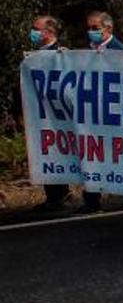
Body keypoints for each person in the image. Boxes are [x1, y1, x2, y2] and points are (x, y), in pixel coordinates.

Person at [29, 16, 81, 212]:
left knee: (59, 149)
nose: (33, 32)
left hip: (60, 113)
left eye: (36, 28)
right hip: (41, 113)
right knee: (46, 151)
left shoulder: (62, 53)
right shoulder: (34, 55)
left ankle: (63, 193)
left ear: (49, 32)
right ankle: (53, 195)